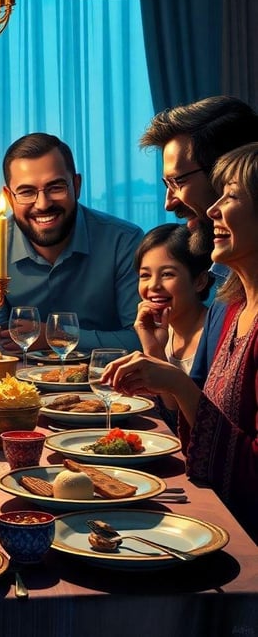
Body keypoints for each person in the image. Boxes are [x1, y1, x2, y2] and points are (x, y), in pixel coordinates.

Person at [103, 142, 258, 543]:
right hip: (218, 517)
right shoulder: (236, 309)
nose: (211, 210)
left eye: (232, 196)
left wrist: (176, 383)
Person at [0, 132, 143, 353]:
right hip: (17, 383)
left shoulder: (123, 242)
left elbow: (143, 340)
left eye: (55, 188)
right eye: (26, 192)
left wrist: (56, 335)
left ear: (76, 185)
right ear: (9, 198)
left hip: (106, 383)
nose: (42, 204)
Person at [140, 96, 258, 385]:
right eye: (166, 185)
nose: (169, 203)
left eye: (178, 182)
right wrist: (155, 355)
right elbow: (200, 419)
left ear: (228, 173)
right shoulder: (223, 286)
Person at [133, 223, 213, 430]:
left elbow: (199, 429)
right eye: (145, 275)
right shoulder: (164, 330)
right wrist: (153, 349)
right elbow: (172, 415)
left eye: (167, 274)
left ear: (200, 281)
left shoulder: (215, 334)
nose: (153, 286)